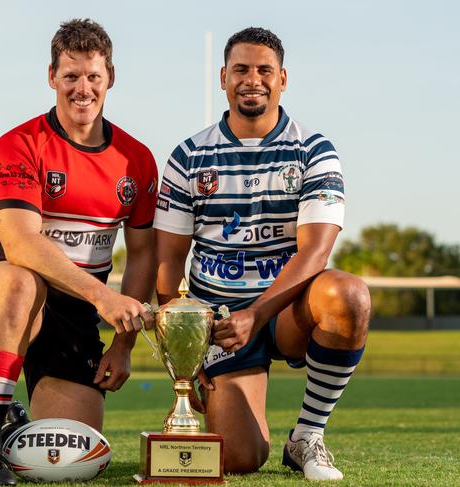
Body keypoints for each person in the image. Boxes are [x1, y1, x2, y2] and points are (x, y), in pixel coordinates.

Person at [154, 27, 370, 481]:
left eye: (264, 70)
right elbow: (168, 260)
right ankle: (249, 418)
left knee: (348, 294)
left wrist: (257, 312)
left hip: (288, 308)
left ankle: (307, 436)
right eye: (241, 69)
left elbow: (315, 252)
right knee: (238, 459)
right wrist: (182, 352)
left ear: (283, 79)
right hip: (223, 325)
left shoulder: (314, 150)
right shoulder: (189, 156)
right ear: (223, 77)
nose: (253, 79)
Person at [0, 18, 157, 486]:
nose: (82, 88)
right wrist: (103, 298)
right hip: (3, 285)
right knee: (22, 280)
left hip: (76, 311)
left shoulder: (137, 159)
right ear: (52, 77)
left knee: (72, 457)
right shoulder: (20, 143)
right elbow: (21, 242)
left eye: (93, 76)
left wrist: (123, 343)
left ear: (110, 78)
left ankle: (9, 409)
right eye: (70, 76)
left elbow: (144, 254)